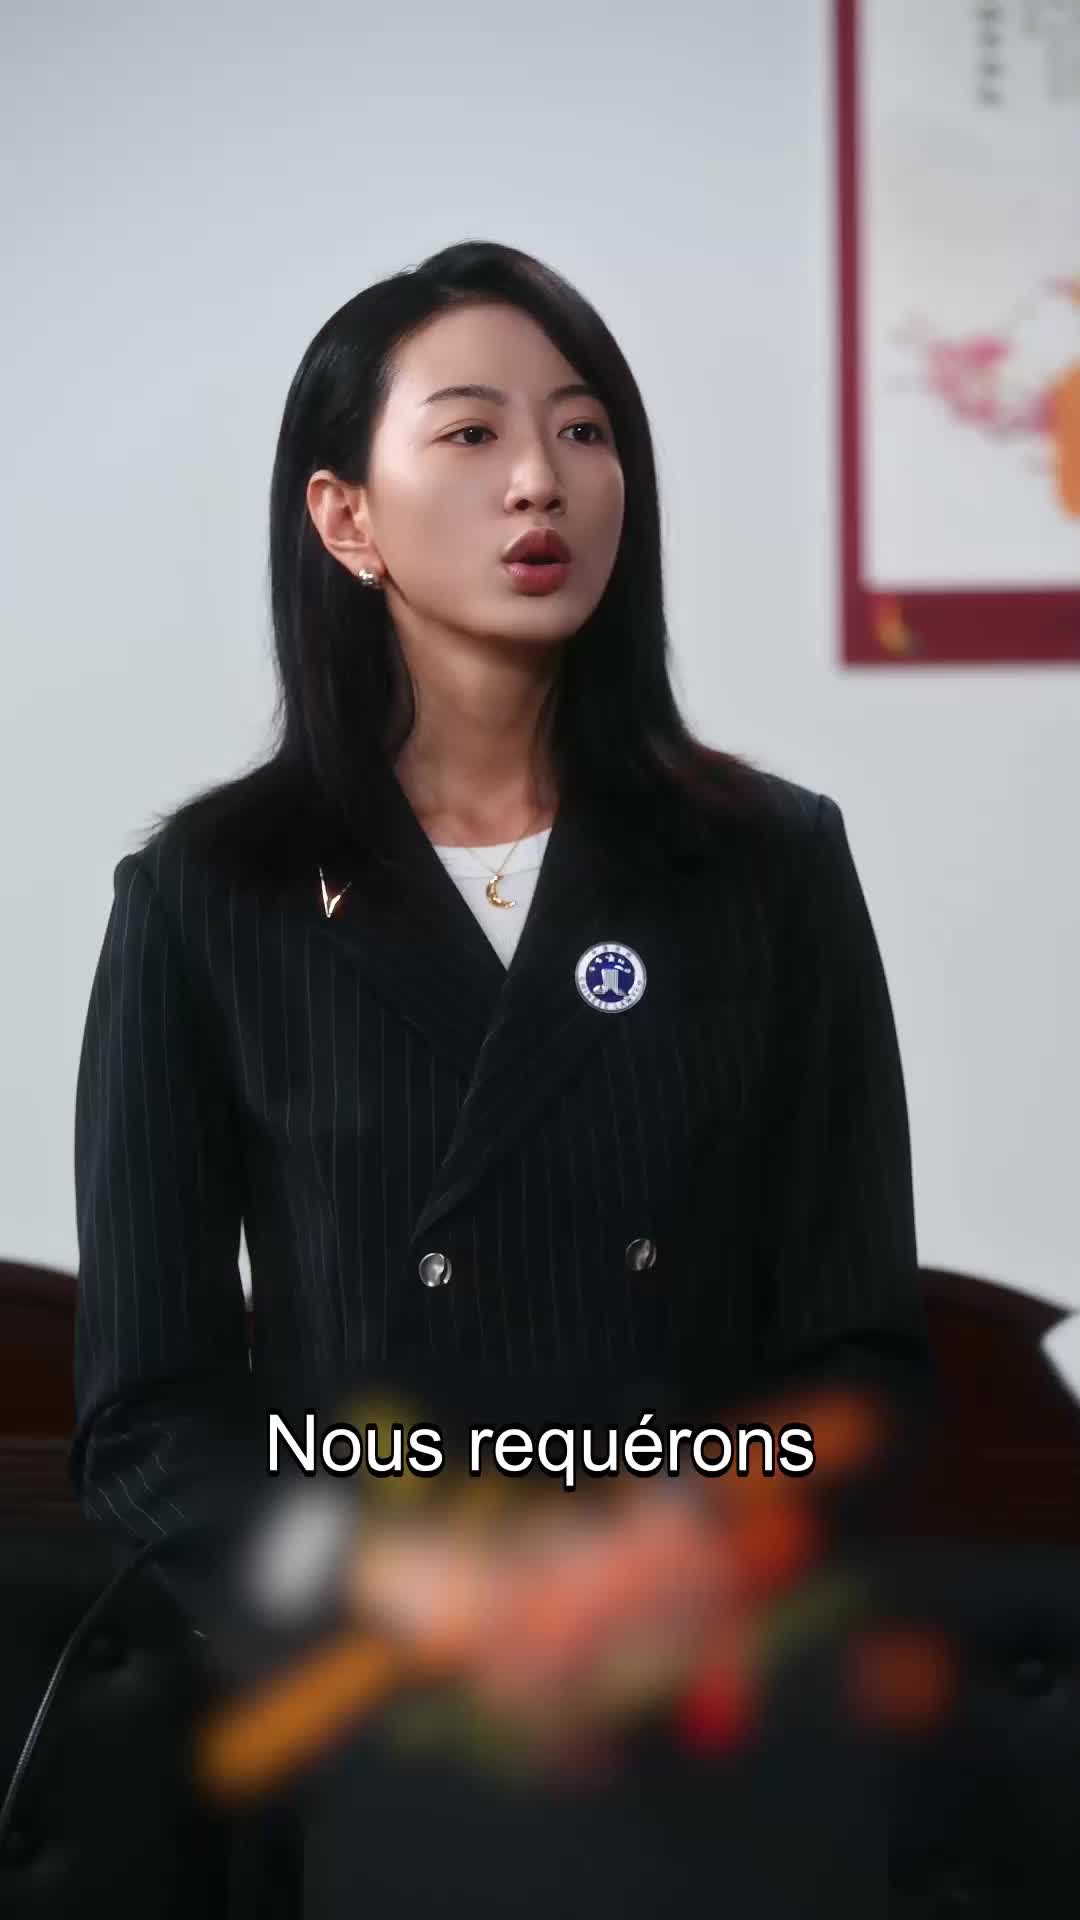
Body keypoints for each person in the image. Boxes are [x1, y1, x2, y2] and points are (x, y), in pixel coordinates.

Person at [69, 239, 935, 1917]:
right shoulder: (209, 899)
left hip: (710, 1706)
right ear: (345, 518)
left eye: (584, 429)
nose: (541, 478)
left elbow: (861, 1358)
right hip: (384, 1719)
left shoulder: (769, 864)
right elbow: (149, 1417)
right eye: (470, 432)